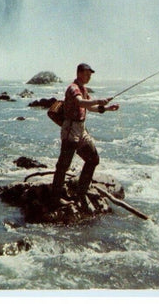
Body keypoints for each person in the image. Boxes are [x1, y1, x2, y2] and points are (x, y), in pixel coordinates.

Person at [51, 62, 119, 208]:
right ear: (79, 73)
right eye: (87, 74)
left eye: (90, 75)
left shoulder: (83, 88)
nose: (89, 77)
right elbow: (81, 102)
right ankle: (55, 197)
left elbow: (90, 107)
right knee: (64, 165)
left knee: (93, 159)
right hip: (71, 129)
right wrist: (98, 100)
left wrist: (107, 108)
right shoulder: (73, 88)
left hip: (81, 130)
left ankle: (81, 193)